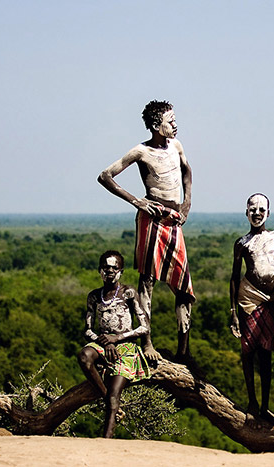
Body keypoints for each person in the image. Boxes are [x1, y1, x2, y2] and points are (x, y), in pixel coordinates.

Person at [98, 100, 195, 362]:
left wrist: (186, 203)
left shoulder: (176, 145)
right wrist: (137, 201)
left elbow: (187, 170)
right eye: (170, 121)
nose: (175, 124)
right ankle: (147, 343)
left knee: (184, 288)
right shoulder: (141, 151)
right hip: (151, 220)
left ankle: (184, 351)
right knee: (147, 281)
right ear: (156, 125)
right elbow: (106, 176)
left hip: (174, 220)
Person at [77, 250, 157, 438]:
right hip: (103, 344)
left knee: (115, 397)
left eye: (114, 268)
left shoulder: (128, 293)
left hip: (126, 347)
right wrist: (105, 342)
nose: (110, 271)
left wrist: (117, 338)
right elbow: (87, 330)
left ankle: (106, 442)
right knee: (84, 356)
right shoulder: (94, 296)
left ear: (121, 271)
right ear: (99, 270)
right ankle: (107, 398)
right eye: (106, 267)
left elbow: (144, 326)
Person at [229, 193, 274, 422]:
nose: (257, 213)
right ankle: (251, 403)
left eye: (262, 210)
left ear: (268, 213)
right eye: (253, 209)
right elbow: (234, 278)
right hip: (247, 300)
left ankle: (265, 407)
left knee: (266, 355)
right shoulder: (242, 243)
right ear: (246, 213)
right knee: (248, 351)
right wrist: (233, 312)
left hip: (268, 300)